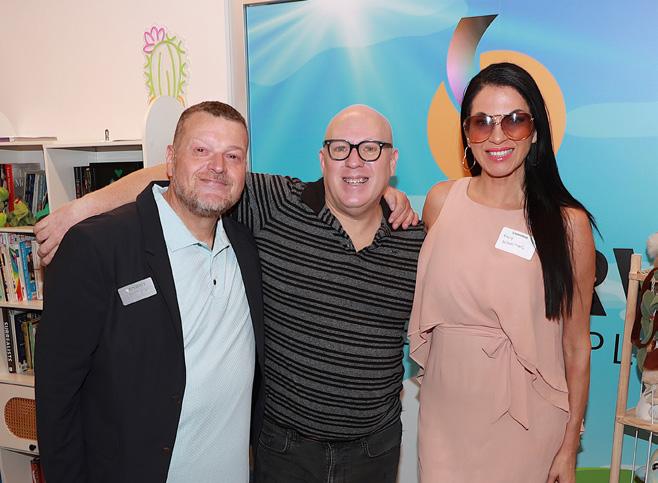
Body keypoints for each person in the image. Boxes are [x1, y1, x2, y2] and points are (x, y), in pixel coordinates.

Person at [34, 104, 424, 483]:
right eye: (341, 149)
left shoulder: (415, 242)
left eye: (371, 149)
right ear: (323, 160)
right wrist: (80, 209)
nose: (354, 161)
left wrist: (390, 196)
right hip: (285, 450)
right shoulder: (275, 205)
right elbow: (184, 180)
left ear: (392, 162)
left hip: (375, 450)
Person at [35, 101, 264, 483]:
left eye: (233, 156)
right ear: (170, 160)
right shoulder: (97, 247)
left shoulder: (245, 245)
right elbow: (57, 397)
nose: (218, 167)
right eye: (201, 150)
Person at [408, 62, 596, 483]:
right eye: (482, 122)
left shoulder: (568, 225)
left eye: (514, 120)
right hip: (445, 418)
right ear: (466, 133)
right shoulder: (441, 202)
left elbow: (576, 346)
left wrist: (569, 447)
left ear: (535, 130)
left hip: (527, 421)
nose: (497, 136)